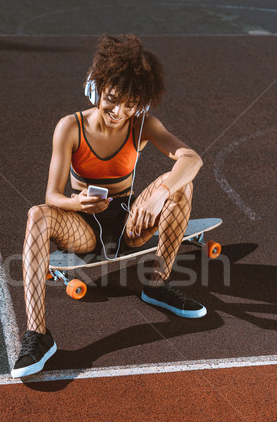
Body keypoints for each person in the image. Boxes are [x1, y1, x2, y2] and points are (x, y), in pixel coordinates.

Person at [12, 33, 205, 379]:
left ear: (142, 103)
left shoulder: (143, 125)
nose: (119, 112)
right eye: (113, 100)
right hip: (83, 227)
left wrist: (162, 193)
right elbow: (52, 196)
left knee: (181, 185)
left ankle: (157, 286)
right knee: (36, 216)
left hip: (129, 220)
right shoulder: (70, 127)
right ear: (96, 87)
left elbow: (191, 159)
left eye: (131, 104)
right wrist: (77, 202)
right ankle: (38, 335)